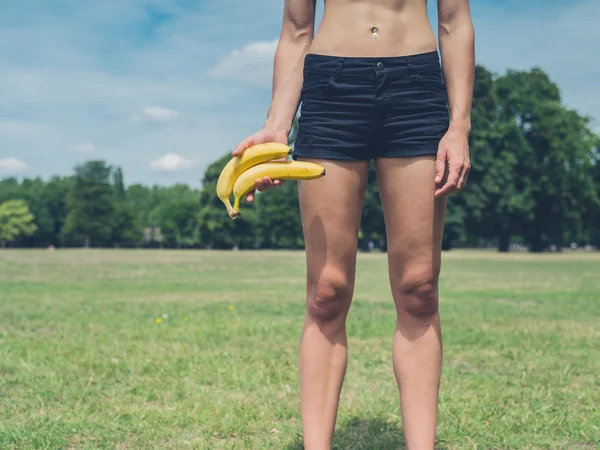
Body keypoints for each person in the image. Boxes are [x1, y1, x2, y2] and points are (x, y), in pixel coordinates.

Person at [233, 0, 474, 448]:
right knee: (327, 291)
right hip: (330, 88)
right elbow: (296, 31)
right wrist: (276, 125)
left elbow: (454, 21)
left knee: (419, 289)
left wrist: (458, 125)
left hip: (416, 87)